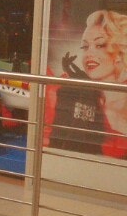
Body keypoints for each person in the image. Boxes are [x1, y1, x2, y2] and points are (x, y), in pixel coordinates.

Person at [47, 9, 127, 157]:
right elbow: (55, 146)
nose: (89, 54)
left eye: (100, 45)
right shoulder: (68, 93)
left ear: (120, 53)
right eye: (85, 47)